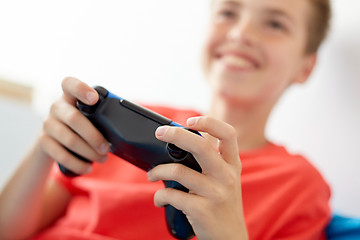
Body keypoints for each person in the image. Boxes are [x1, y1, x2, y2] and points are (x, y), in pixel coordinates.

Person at [0, 0, 332, 239]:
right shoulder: (125, 121)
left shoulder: (299, 184)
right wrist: (45, 147)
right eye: (228, 12)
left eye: (275, 23)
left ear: (306, 66)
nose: (241, 33)